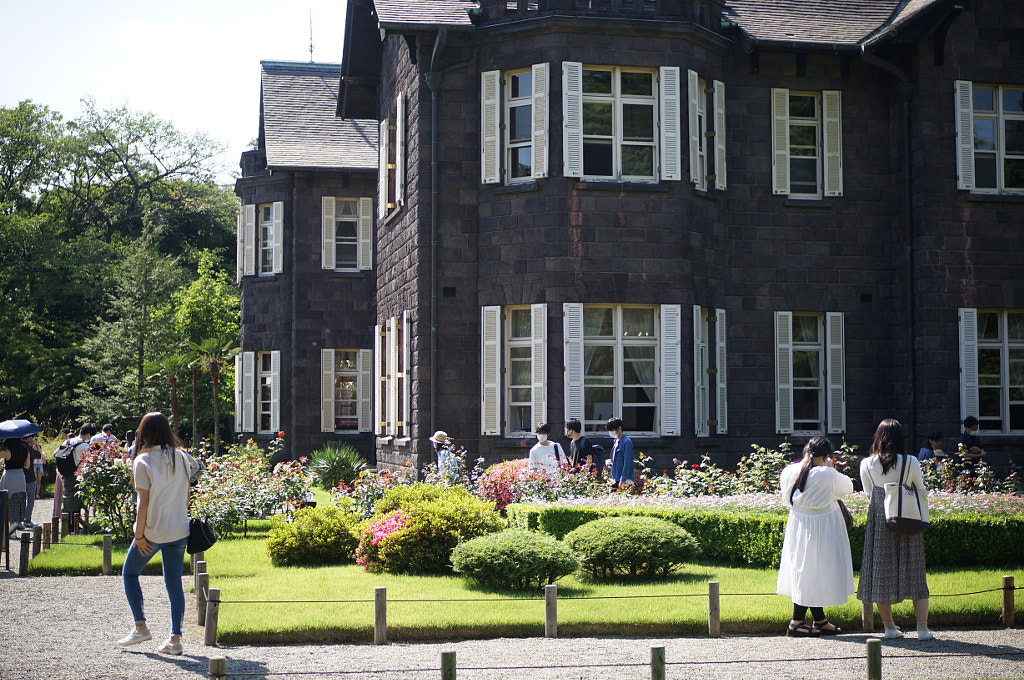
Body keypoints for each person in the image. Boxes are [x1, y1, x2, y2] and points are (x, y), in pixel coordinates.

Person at [119, 411, 199, 656]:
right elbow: (187, 494)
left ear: (143, 433)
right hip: (179, 529)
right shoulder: (182, 457)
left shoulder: (142, 461)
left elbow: (142, 504)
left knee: (129, 573)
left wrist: (139, 535)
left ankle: (140, 626)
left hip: (153, 531)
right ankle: (175, 639)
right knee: (174, 584)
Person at [857, 418, 933, 640]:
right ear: (900, 438)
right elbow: (920, 489)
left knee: (882, 573)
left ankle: (889, 627)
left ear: (878, 438)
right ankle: (922, 629)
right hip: (908, 518)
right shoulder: (911, 461)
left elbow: (869, 495)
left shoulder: (866, 463)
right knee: (915, 571)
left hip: (880, 521)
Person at [776, 436, 854, 636]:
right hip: (823, 526)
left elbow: (786, 499)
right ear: (827, 455)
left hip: (799, 524)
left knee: (807, 571)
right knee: (814, 572)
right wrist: (830, 468)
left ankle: (818, 620)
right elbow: (847, 488)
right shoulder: (827, 474)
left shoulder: (789, 471)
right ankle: (797, 622)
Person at [61, 423, 96, 532]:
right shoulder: (84, 445)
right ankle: (74, 526)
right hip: (78, 475)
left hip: (66, 474)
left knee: (68, 498)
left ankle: (67, 525)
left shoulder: (68, 441)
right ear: (89, 434)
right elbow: (89, 462)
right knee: (76, 501)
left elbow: (57, 454)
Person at [1, 437, 31, 535]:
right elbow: (27, 466)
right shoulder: (25, 451)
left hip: (10, 477)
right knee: (18, 504)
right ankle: (13, 529)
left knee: (8, 503)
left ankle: (11, 531)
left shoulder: (7, 452)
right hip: (21, 478)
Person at [606, 417, 634, 489]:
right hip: (615, 478)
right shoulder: (615, 441)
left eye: (612, 430)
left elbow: (627, 463)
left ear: (619, 428)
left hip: (624, 480)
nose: (611, 432)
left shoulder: (626, 442)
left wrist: (622, 481)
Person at [23, 434, 42, 527]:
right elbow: (39, 455)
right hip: (29, 476)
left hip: (19, 475)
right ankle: (27, 520)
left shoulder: (17, 446)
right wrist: (37, 445)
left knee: (19, 499)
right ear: (29, 437)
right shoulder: (28, 448)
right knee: (30, 499)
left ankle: (17, 521)